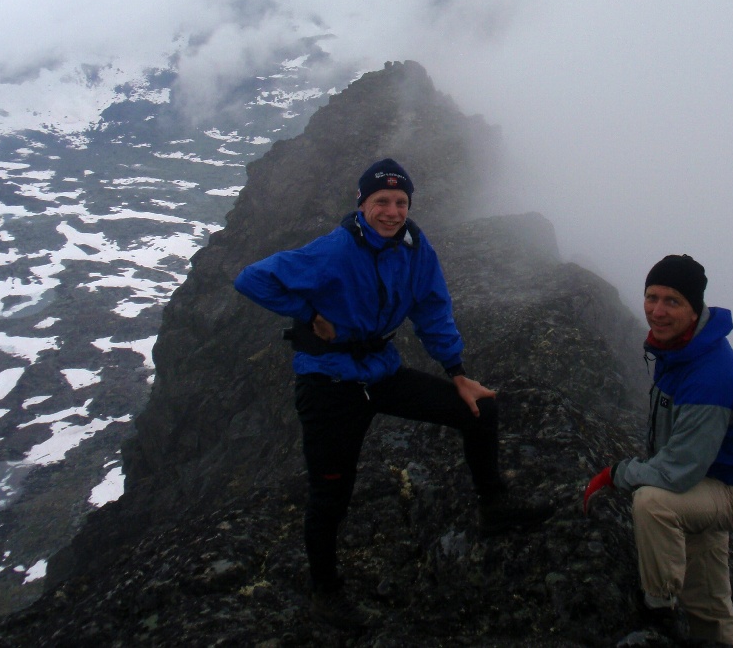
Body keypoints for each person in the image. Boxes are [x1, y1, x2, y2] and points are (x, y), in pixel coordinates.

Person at [234, 158, 553, 628]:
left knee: (479, 408)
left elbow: (432, 309)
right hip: (330, 382)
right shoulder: (336, 249)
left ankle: (494, 505)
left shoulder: (415, 248)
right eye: (381, 201)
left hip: (381, 373)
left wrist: (457, 371)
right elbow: (252, 278)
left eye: (401, 202)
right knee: (330, 493)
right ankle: (326, 592)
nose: (392, 211)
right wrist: (308, 314)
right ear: (361, 203)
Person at [583, 254, 733, 647]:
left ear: (694, 309)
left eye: (672, 301)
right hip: (707, 478)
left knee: (653, 503)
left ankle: (659, 608)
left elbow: (678, 471)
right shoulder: (682, 349)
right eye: (651, 297)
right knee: (708, 597)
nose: (657, 311)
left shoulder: (710, 372)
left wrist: (614, 474)